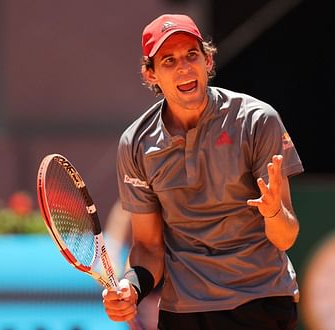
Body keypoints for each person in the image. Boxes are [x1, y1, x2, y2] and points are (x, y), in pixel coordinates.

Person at [103, 13, 303, 330]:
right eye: (168, 60)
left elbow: (286, 237)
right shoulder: (136, 143)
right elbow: (149, 248)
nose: (184, 67)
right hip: (183, 311)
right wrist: (133, 286)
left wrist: (273, 211)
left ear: (207, 60)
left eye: (191, 55)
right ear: (150, 73)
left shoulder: (257, 121)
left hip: (260, 301)